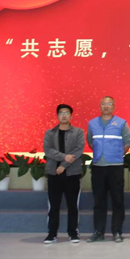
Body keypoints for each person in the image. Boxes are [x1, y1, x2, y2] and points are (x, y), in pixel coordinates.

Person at [87, 96, 130, 243]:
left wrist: (115, 154)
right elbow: (90, 142)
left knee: (117, 200)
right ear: (100, 106)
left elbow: (127, 143)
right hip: (98, 167)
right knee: (99, 201)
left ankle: (117, 231)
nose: (106, 106)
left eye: (109, 104)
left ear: (114, 106)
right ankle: (99, 231)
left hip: (115, 167)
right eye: (103, 104)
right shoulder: (92, 123)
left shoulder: (122, 123)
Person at [42, 104, 85, 244]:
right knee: (54, 206)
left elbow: (78, 150)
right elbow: (48, 150)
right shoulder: (50, 133)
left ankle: (73, 233)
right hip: (54, 174)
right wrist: (64, 157)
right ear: (57, 116)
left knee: (73, 205)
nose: (64, 115)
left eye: (67, 113)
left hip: (72, 174)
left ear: (71, 116)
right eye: (61, 113)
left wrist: (63, 165)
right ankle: (52, 233)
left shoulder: (78, 132)